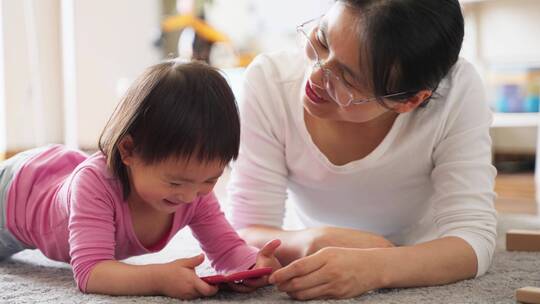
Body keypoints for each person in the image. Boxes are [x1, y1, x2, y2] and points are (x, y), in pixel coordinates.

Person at [228, 0, 497, 300]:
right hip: (318, 243)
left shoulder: (455, 92)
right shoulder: (271, 81)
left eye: (347, 78)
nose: (315, 76)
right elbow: (244, 229)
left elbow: (473, 240)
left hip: (425, 248)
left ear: (409, 101)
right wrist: (312, 241)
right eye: (321, 40)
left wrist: (377, 267)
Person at [0, 60, 281, 300]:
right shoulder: (94, 185)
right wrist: (158, 279)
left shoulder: (194, 190)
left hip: (56, 174)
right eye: (175, 183)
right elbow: (91, 273)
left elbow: (227, 250)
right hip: (14, 195)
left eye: (210, 180)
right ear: (128, 151)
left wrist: (254, 264)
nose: (190, 196)